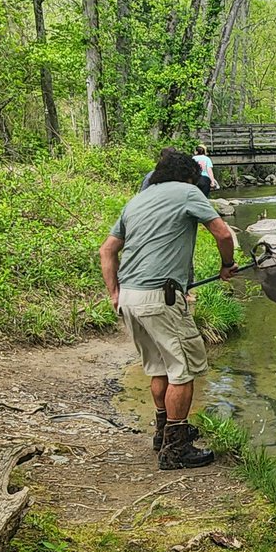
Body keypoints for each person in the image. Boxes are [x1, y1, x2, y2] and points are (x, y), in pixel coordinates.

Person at [100, 149, 237, 470]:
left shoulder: (137, 200)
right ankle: (176, 449)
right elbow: (222, 233)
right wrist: (227, 265)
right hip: (161, 299)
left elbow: (107, 250)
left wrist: (114, 294)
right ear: (189, 176)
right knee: (183, 370)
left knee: (159, 368)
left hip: (130, 300)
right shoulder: (188, 192)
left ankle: (163, 432)